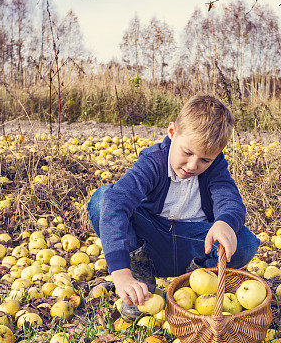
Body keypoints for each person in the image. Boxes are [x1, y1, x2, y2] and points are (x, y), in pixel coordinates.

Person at [87, 94, 260, 319]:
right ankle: (139, 276)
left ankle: (195, 285)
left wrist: (225, 222)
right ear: (172, 132)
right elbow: (116, 202)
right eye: (187, 153)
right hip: (151, 242)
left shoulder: (216, 167)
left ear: (215, 156)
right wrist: (120, 273)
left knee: (244, 242)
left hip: (195, 245)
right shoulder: (154, 161)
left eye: (204, 160)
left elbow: (230, 200)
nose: (192, 165)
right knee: (103, 199)